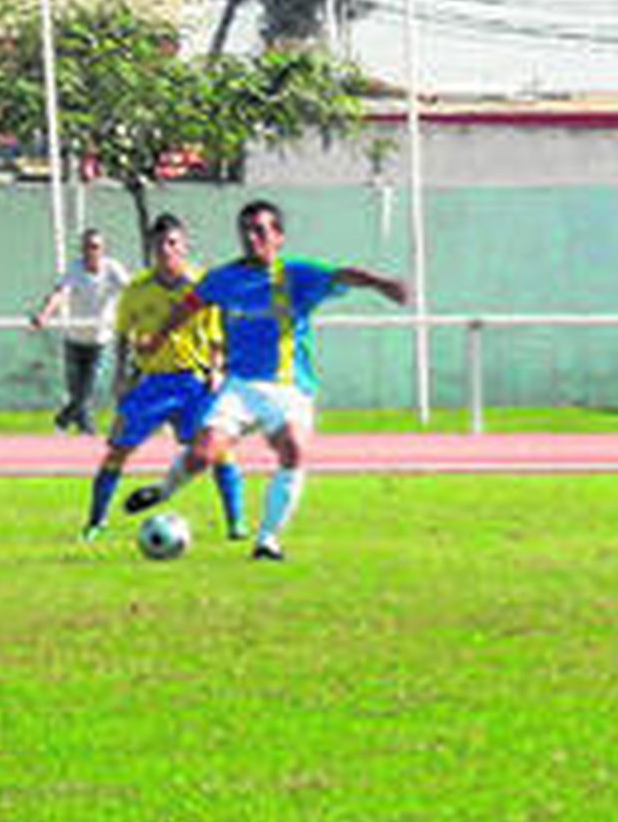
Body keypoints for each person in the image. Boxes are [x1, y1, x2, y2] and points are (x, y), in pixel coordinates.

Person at [125, 199, 408, 561]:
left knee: (294, 449)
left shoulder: (295, 274)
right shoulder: (224, 278)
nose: (251, 237)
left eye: (260, 230)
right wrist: (157, 339)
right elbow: (188, 305)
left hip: (288, 386)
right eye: (245, 230)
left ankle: (267, 541)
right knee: (201, 455)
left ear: (279, 236)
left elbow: (342, 274)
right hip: (240, 386)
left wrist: (382, 284)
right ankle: (163, 491)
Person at [82, 213, 246, 543]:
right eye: (159, 244)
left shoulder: (202, 289)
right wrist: (121, 378)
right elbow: (125, 337)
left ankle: (236, 524)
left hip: (194, 384)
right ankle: (95, 523)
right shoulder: (137, 290)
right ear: (151, 248)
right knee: (117, 451)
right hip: (152, 383)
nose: (165, 249)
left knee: (217, 451)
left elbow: (217, 336)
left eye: (172, 242)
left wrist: (217, 372)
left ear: (184, 246)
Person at [28, 228, 130, 435]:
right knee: (77, 392)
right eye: (86, 247)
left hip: (99, 340)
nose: (90, 251)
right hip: (74, 338)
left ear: (103, 249)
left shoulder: (112, 269)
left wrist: (141, 315)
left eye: (95, 247)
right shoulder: (74, 269)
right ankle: (86, 432)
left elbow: (131, 291)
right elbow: (60, 294)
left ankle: (64, 421)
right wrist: (45, 315)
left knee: (86, 391)